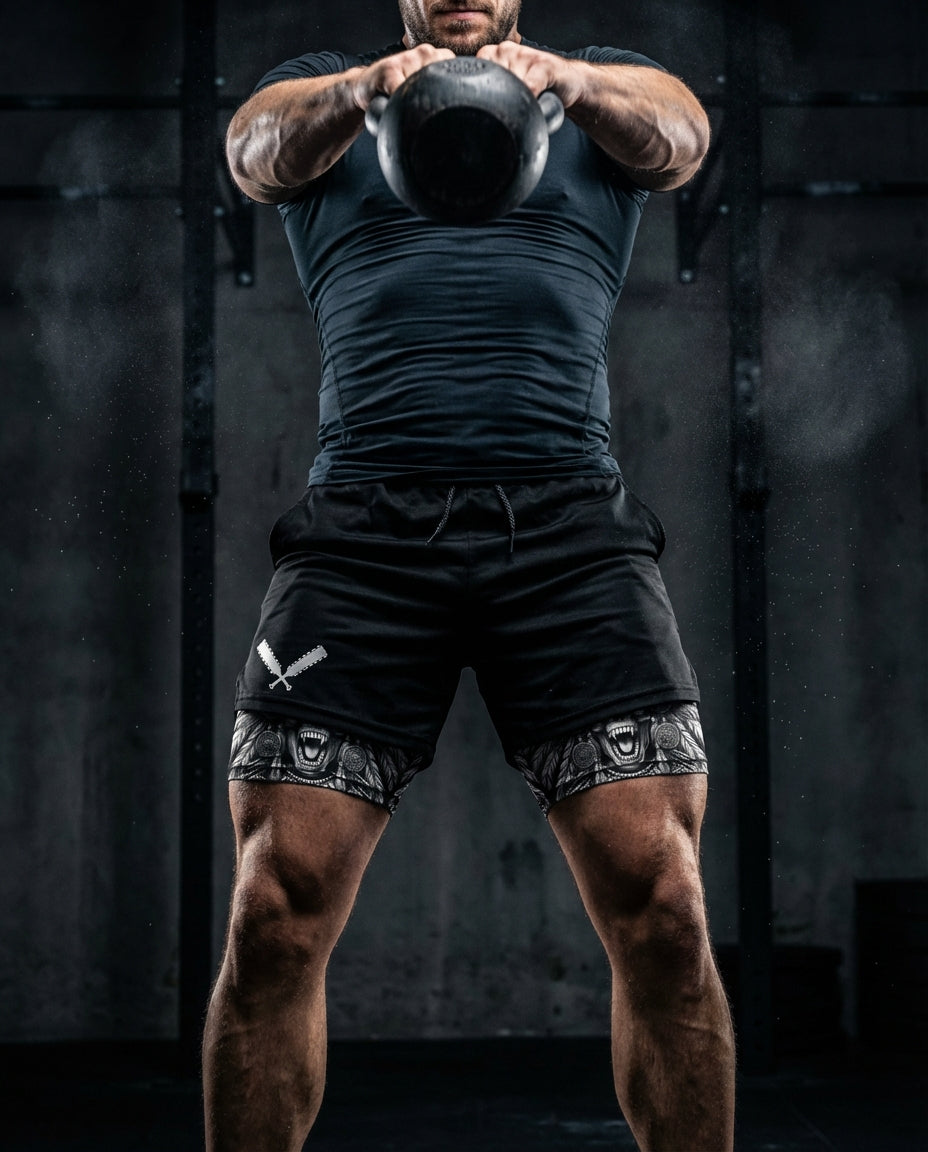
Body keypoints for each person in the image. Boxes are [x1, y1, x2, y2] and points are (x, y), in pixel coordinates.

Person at [205, 2, 735, 1149]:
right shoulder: (324, 93)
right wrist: (361, 93)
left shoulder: (600, 87)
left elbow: (683, 138)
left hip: (566, 530)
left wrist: (569, 84)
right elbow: (250, 153)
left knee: (667, 913)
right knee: (273, 917)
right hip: (364, 535)